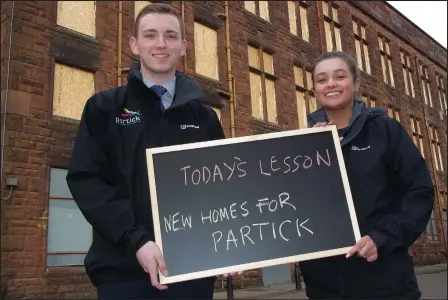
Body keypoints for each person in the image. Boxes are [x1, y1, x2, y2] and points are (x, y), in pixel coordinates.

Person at [66, 3, 227, 299]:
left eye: (170, 36)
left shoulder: (204, 119)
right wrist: (136, 239)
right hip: (122, 272)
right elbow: (86, 180)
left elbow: (223, 186)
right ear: (134, 45)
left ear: (183, 46)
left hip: (192, 272)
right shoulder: (104, 108)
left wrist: (235, 245)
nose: (161, 44)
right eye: (150, 35)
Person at [299, 51, 434, 299]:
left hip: (385, 282)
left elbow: (419, 193)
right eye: (321, 79)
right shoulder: (302, 146)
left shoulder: (386, 130)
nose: (330, 84)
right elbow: (288, 206)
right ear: (315, 89)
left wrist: (381, 237)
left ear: (356, 84)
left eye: (339, 76)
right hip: (325, 287)